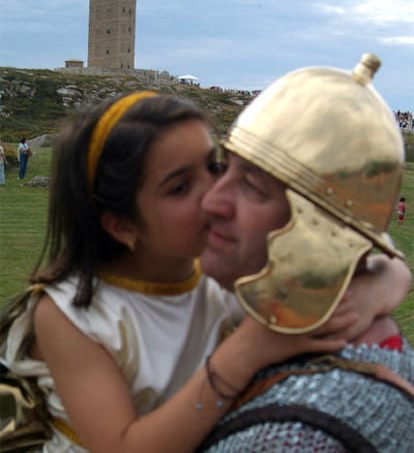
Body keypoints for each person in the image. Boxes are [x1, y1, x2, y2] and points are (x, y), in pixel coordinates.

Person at [2, 91, 358, 453]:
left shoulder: (211, 272)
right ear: (122, 226)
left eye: (214, 166)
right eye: (180, 187)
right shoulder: (70, 315)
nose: (217, 192)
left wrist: (389, 277)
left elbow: (342, 285)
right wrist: (245, 352)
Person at [198, 53, 414, 452]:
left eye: (252, 188)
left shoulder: (288, 441)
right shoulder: (364, 330)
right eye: (222, 167)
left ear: (325, 235)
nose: (212, 200)